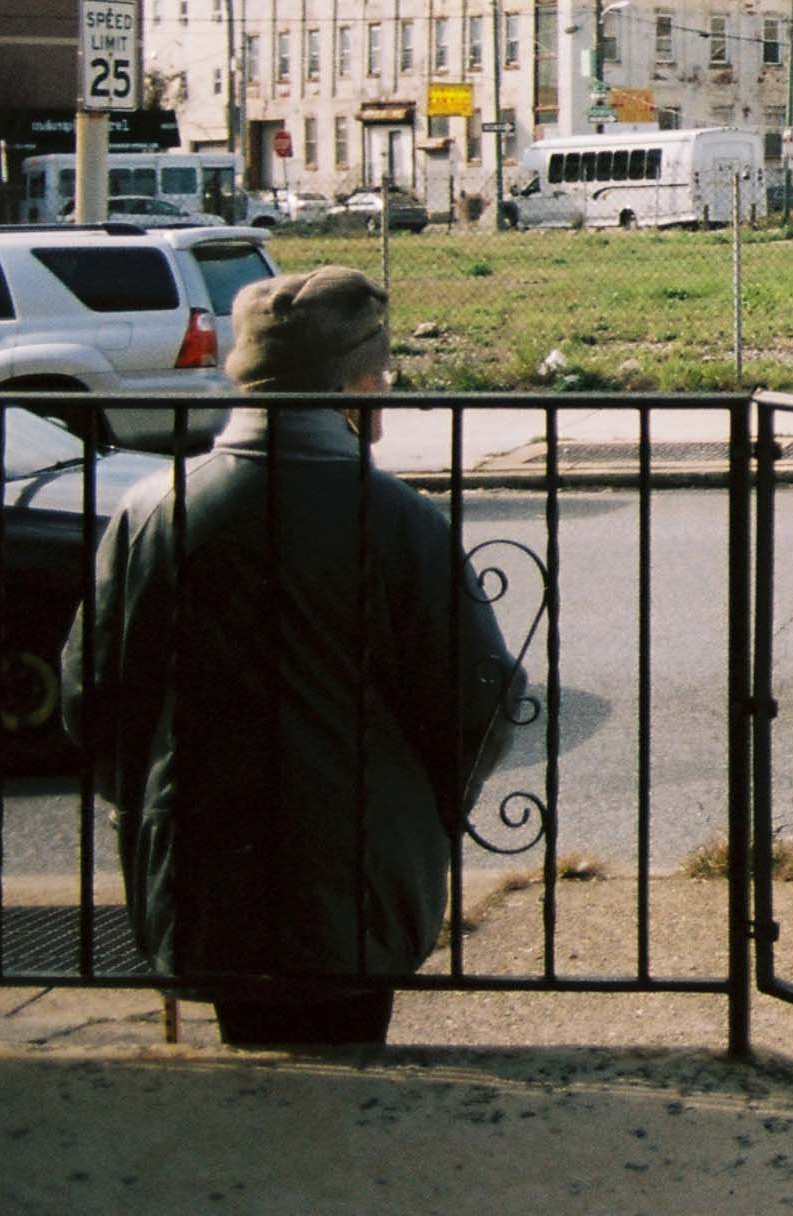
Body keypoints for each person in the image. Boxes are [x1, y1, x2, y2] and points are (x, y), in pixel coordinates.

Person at [60, 266, 519, 1047]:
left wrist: (146, 806)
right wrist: (426, 815)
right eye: (381, 381)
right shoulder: (399, 521)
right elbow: (480, 699)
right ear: (355, 391)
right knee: (349, 1049)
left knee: (249, 1055)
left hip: (203, 871)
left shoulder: (155, 510)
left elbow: (92, 693)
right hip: (363, 870)